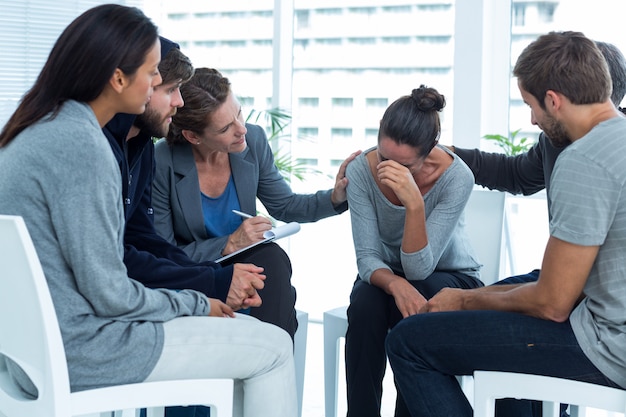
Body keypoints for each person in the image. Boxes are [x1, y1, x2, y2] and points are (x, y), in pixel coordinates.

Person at [0, 5, 297, 417]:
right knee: (275, 348)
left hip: (29, 350)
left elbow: (125, 253)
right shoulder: (83, 146)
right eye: (153, 72)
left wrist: (204, 286)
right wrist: (199, 300)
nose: (160, 84)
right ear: (118, 78)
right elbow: (112, 293)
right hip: (87, 347)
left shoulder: (40, 127)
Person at [386, 31, 626, 417]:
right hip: (604, 313)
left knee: (408, 343)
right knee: (495, 308)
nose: (532, 119)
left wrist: (463, 299)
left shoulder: (584, 160)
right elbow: (516, 174)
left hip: (608, 344)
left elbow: (551, 304)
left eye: (531, 105)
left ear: (554, 100)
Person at [152, 67, 360, 338]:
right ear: (193, 136)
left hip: (251, 266)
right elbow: (164, 254)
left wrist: (334, 198)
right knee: (270, 269)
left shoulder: (254, 140)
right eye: (226, 128)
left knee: (271, 258)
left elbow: (284, 205)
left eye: (239, 113)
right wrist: (228, 244)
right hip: (196, 272)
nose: (241, 130)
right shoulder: (161, 162)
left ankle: (273, 359)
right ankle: (272, 357)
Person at [343, 85, 484, 417]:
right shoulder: (361, 171)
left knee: (424, 297)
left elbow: (420, 269)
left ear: (429, 151)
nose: (388, 170)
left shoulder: (457, 177)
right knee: (365, 302)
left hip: (450, 277)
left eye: (403, 165)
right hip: (390, 277)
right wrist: (396, 284)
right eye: (384, 156)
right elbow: (366, 257)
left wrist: (414, 204)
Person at [103, 38, 263, 319]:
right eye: (170, 89)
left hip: (124, 298)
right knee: (274, 348)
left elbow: (142, 238)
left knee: (269, 266)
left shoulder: (141, 148)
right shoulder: (95, 149)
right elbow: (113, 258)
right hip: (101, 316)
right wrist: (212, 282)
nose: (179, 101)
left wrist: (215, 276)